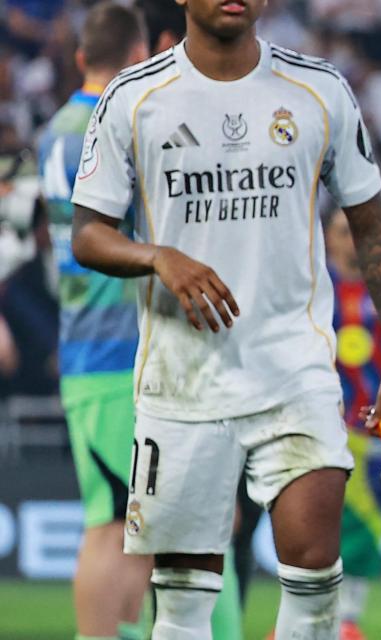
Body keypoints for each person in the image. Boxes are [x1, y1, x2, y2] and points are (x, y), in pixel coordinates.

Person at [69, 0, 381, 636]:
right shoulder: (133, 97)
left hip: (295, 370)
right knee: (182, 600)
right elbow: (88, 234)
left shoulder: (319, 90)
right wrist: (157, 257)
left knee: (316, 576)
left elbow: (371, 223)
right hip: (181, 380)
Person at [40, 3, 239, 639]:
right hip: (128, 355)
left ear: (79, 58)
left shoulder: (55, 130)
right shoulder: (119, 121)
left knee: (119, 521)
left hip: (83, 352)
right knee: (145, 525)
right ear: (139, 55)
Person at [325, 208, 381, 640]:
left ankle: (349, 616)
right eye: (340, 231)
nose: (350, 239)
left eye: (356, 231)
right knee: (324, 522)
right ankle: (323, 612)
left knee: (370, 526)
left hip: (379, 431)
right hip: (327, 425)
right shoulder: (313, 287)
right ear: (328, 239)